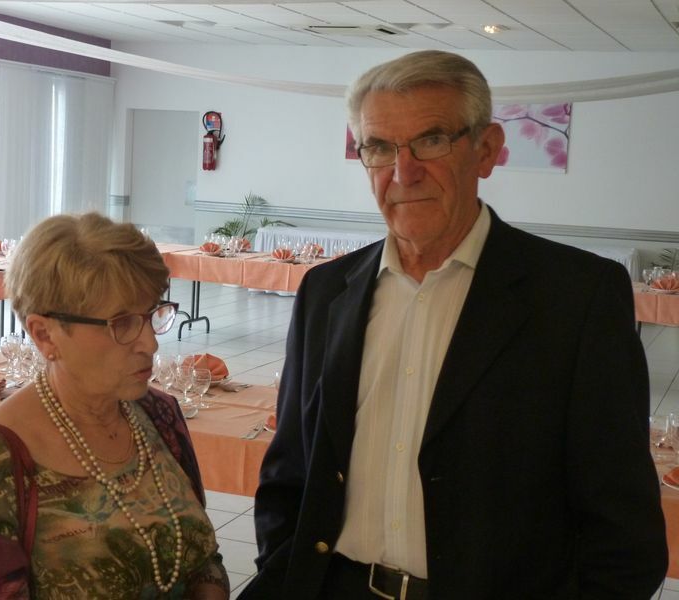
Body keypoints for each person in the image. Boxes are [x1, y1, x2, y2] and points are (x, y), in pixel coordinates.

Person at [240, 50, 667, 599]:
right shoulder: (326, 292)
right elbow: (290, 472)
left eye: (432, 140)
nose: (403, 171)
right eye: (379, 147)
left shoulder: (576, 297)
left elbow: (624, 530)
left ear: (486, 150)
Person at [0, 213, 229, 599]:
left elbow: (203, 556)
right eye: (123, 323)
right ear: (44, 334)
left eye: (151, 315)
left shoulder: (158, 415)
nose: (150, 343)